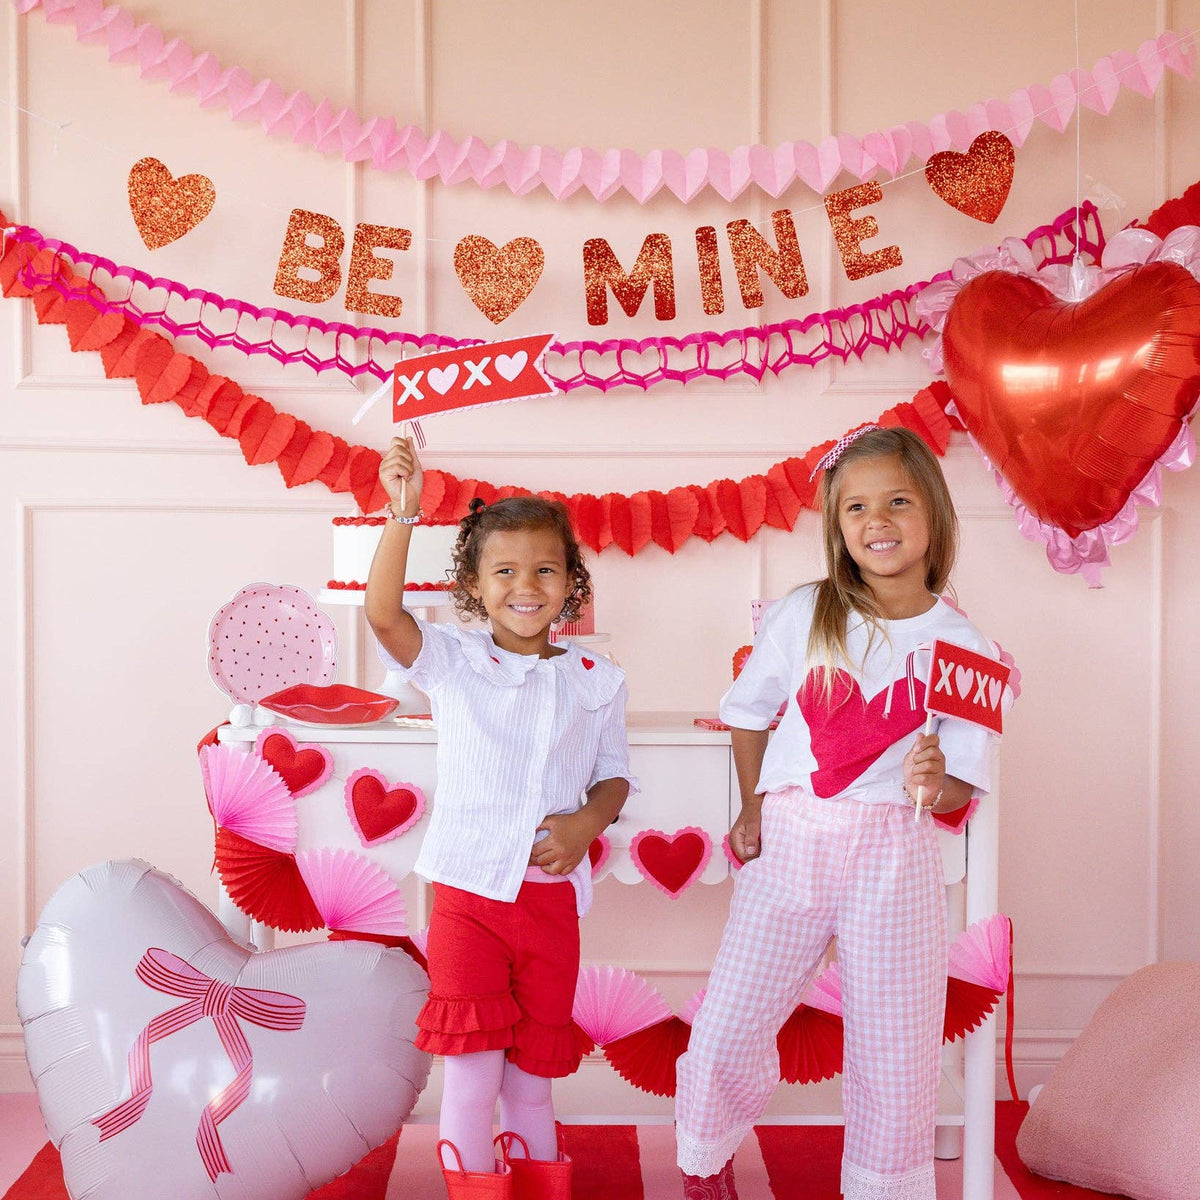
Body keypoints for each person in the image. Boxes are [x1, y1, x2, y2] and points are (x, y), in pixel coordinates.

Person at [675, 426, 1002, 1200]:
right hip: (794, 839)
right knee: (729, 1018)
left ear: (934, 518)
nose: (876, 520)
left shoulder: (962, 648)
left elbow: (965, 781)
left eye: (897, 501)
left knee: (896, 1044)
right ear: (837, 526)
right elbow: (749, 713)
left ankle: (885, 1187)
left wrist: (938, 776)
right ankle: (705, 1158)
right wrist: (754, 803)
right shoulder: (806, 613)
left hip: (896, 855)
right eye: (856, 506)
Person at [366, 437, 636, 1200]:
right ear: (476, 589)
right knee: (473, 1081)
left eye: (546, 569)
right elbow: (383, 614)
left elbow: (615, 775)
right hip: (468, 901)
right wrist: (403, 513)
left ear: (571, 585)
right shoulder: (453, 661)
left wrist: (586, 823)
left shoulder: (598, 678)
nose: (527, 585)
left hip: (551, 907)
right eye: (505, 571)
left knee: (534, 1085)